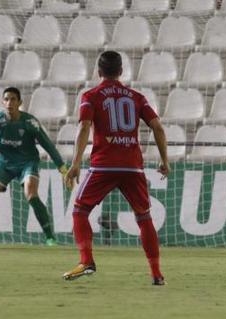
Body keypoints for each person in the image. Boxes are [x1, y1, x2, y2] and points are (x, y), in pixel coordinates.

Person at [63, 51, 169, 284]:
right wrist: (165, 161)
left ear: (99, 72)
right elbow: (158, 128)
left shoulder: (91, 95)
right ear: (121, 71)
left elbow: (84, 127)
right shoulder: (136, 97)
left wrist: (76, 163)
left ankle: (87, 260)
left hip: (104, 166)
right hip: (133, 167)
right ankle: (156, 274)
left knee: (80, 211)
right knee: (144, 217)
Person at [0, 87, 68, 245]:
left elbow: (47, 144)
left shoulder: (30, 122)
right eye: (7, 99)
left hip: (27, 162)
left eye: (13, 99)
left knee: (31, 193)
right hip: (4, 162)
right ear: (3, 102)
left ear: (20, 102)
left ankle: (50, 237)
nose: (10, 102)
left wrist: (62, 167)